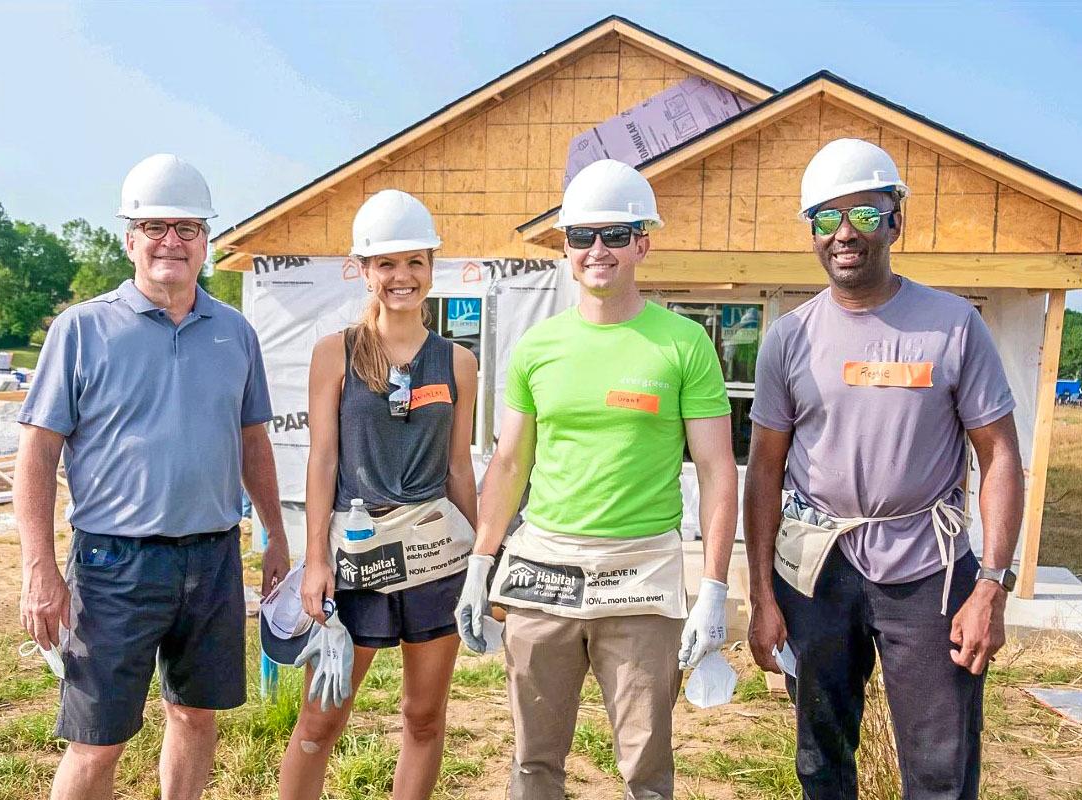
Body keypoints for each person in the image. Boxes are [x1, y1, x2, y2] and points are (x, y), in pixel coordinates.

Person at [744, 138, 1025, 800]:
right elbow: (763, 472)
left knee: (940, 765)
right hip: (818, 571)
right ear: (811, 232)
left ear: (895, 218)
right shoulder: (789, 338)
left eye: (864, 215)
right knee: (821, 755)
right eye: (826, 219)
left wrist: (991, 586)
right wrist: (760, 593)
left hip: (928, 570)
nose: (844, 234)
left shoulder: (952, 326)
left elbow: (1001, 455)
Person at [455, 159, 737, 800]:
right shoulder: (537, 346)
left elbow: (719, 471)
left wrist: (714, 588)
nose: (598, 250)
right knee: (533, 762)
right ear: (565, 247)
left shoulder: (683, 344)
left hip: (639, 577)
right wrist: (480, 564)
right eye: (582, 236)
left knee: (645, 770)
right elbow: (509, 463)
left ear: (644, 241)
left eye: (616, 234)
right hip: (544, 573)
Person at [16, 153, 290, 800]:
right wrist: (39, 568)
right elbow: (36, 455)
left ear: (207, 243)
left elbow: (253, 443)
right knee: (97, 740)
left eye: (188, 228)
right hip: (114, 564)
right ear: (129, 238)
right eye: (156, 226)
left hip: (214, 558)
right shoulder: (81, 330)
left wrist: (275, 534)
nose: (172, 241)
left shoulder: (236, 333)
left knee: (195, 717)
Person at [277, 190, 479, 800]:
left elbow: (459, 469)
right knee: (322, 717)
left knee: (424, 718)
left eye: (414, 262)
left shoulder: (458, 362)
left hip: (434, 557)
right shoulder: (333, 354)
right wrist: (315, 562)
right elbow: (323, 461)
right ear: (364, 270)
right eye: (386, 264)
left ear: (431, 268)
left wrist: (482, 565)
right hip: (356, 558)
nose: (401, 277)